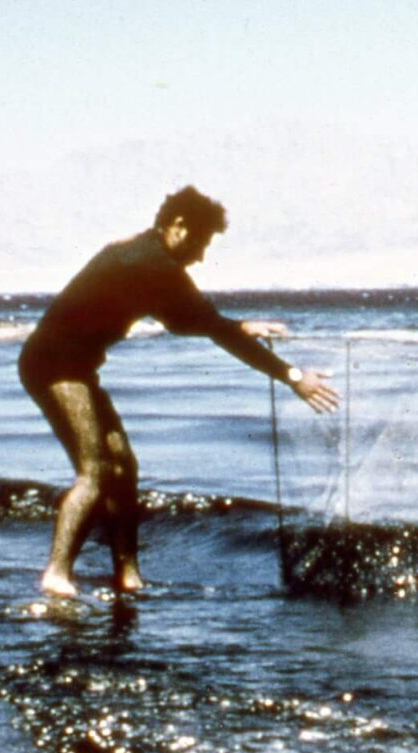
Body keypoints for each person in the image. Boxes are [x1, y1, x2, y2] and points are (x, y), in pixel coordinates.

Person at [18, 185, 340, 597]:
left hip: (74, 365)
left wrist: (235, 326)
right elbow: (202, 323)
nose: (202, 255)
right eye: (202, 243)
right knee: (96, 472)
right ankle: (57, 575)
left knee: (124, 467)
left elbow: (186, 320)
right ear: (179, 227)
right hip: (53, 364)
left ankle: (128, 575)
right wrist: (293, 376)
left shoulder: (144, 255)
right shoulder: (149, 264)